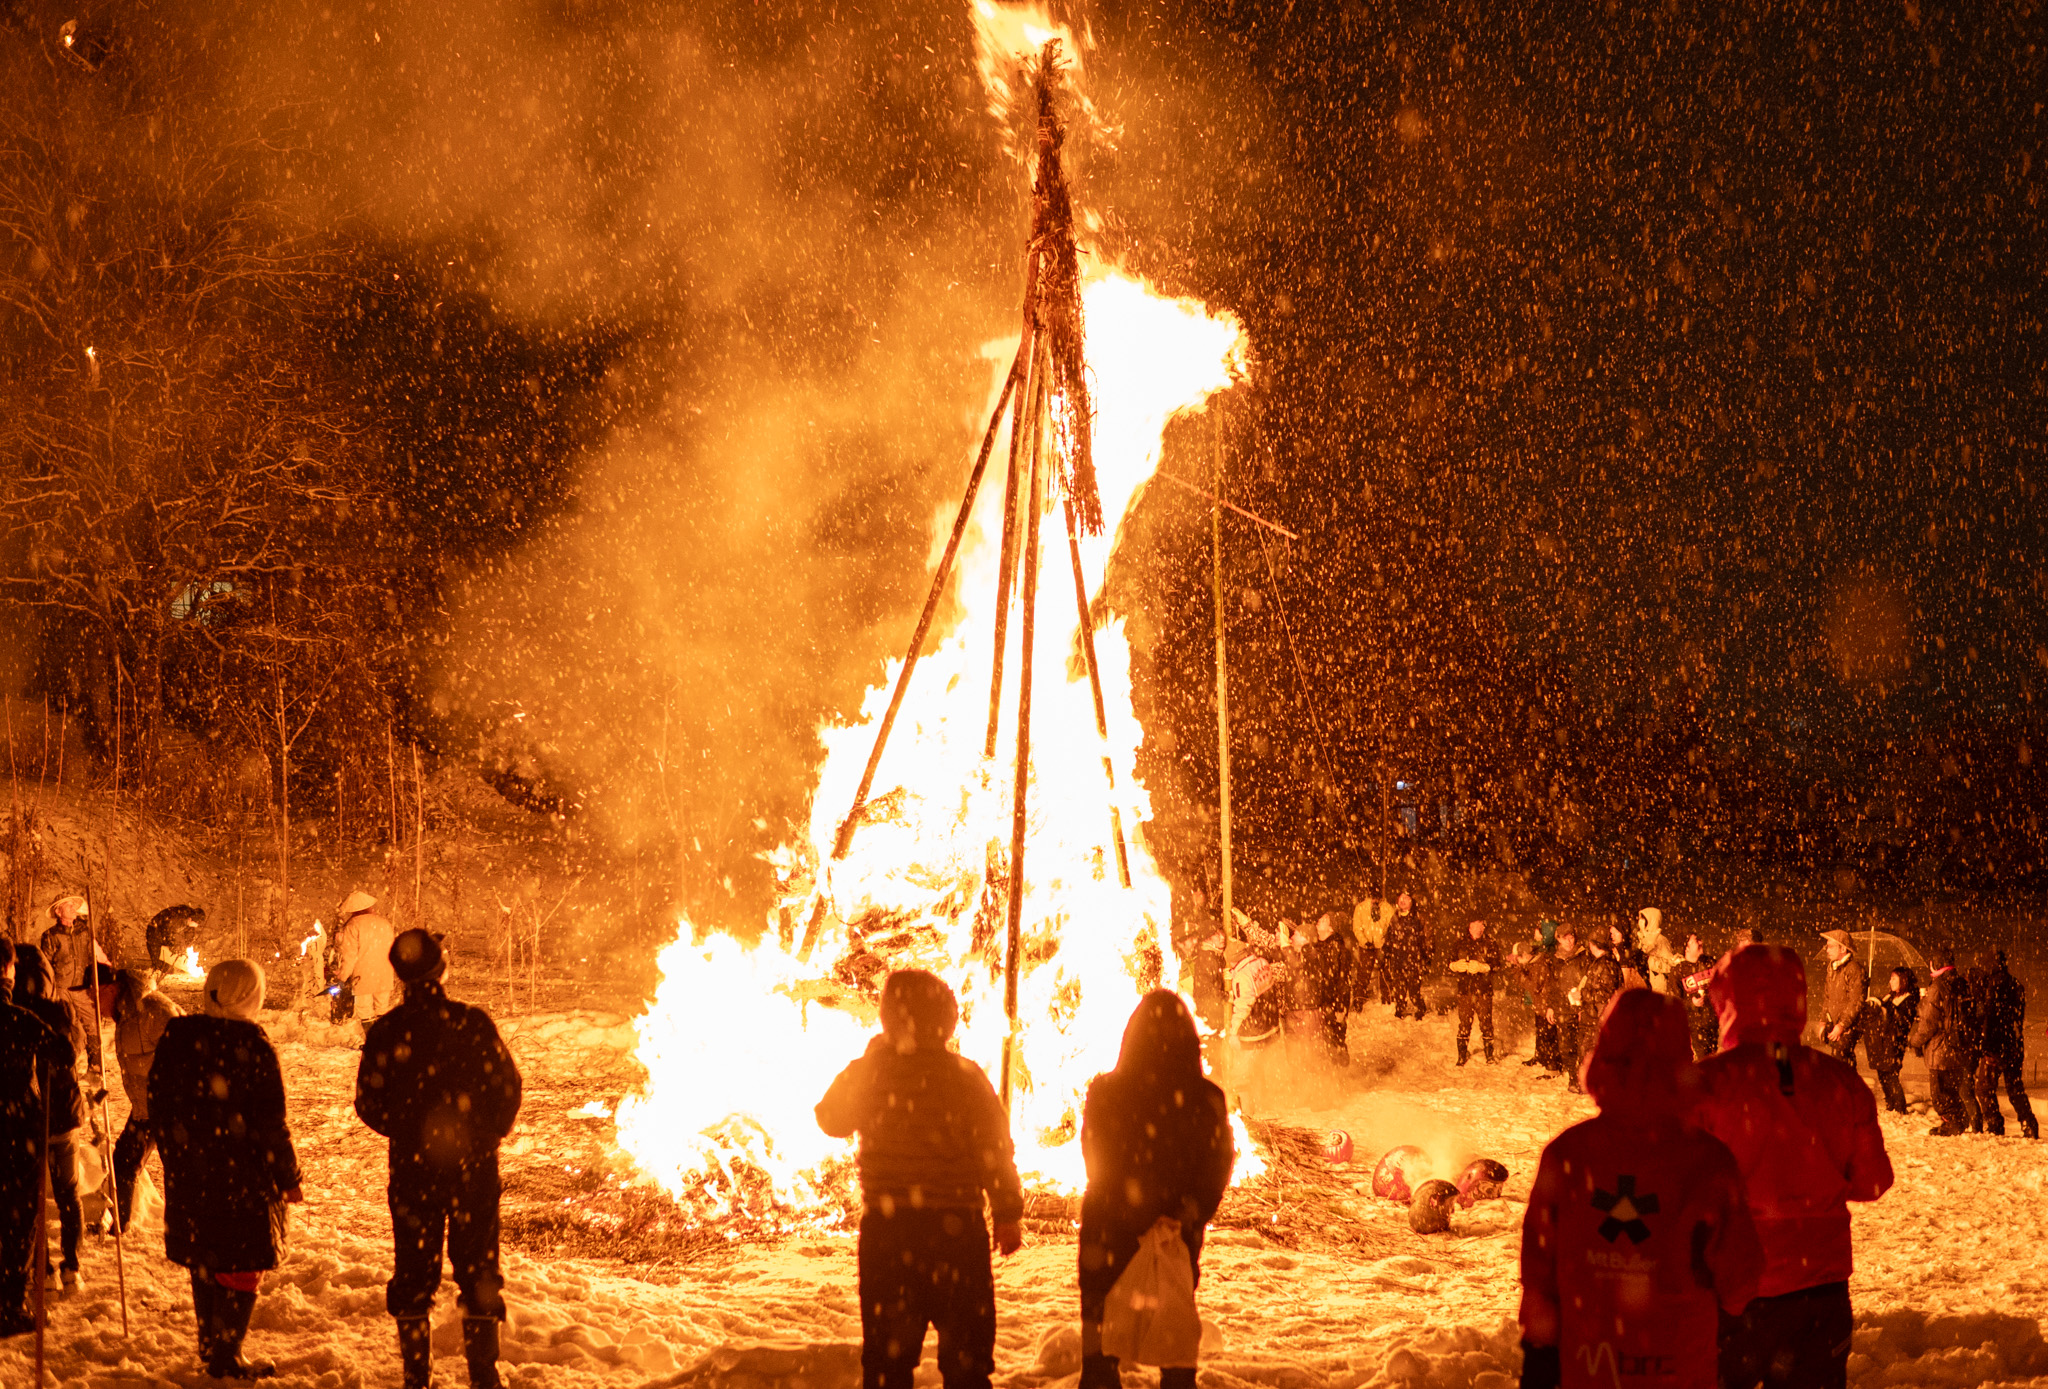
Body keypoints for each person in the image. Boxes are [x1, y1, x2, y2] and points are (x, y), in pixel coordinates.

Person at [1518, 990, 1763, 1389]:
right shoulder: (1708, 1161)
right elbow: (1741, 1278)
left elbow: (1537, 1273)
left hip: (1590, 1367)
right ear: (1681, 1059)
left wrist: (1542, 1355)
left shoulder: (1567, 1154)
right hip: (1679, 1369)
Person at [1696, 944, 1894, 1389]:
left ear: (1725, 999)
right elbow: (1873, 1180)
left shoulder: (1705, 1086)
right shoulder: (1840, 1082)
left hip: (1734, 1291)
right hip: (1820, 1292)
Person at [817, 970, 1024, 1389]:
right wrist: (1007, 1213)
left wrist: (870, 1060)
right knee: (967, 1362)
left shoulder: (872, 1072)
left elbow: (830, 1118)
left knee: (888, 1364)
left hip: (890, 1234)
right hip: (957, 1235)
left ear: (889, 1019)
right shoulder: (966, 1077)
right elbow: (995, 1151)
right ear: (947, 1021)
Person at [357, 929, 524, 1389]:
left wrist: (410, 1134)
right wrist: (484, 1136)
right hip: (473, 1169)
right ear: (442, 968)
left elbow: (368, 1103)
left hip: (412, 1170)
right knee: (478, 1269)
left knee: (413, 1270)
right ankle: (484, 1379)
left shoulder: (388, 1032)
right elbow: (508, 1090)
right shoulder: (472, 1023)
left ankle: (416, 1378)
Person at [151, 958, 304, 1379]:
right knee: (240, 1264)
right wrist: (288, 1178)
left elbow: (158, 1106)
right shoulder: (253, 1046)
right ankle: (227, 1352)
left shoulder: (178, 1037)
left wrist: (178, 1157)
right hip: (243, 1181)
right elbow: (272, 1124)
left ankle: (210, 1343)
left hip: (191, 1175)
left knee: (207, 1257)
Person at [1078, 991, 1234, 1389]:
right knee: (1175, 1340)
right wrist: (1189, 1210)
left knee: (1099, 1347)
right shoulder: (1206, 1098)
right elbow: (1217, 1165)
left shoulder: (1107, 1091)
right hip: (1175, 1231)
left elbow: (1096, 1159)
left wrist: (1129, 1209)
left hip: (1109, 1231)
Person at [0, 939, 74, 1339]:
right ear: (9, 971)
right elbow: (64, 1052)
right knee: (17, 1220)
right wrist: (52, 1017)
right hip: (16, 1132)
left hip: (15, 1128)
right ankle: (9, 1306)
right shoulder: (20, 1019)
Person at [82, 966, 183, 1232]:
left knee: (180, 1173)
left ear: (112, 989)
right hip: (145, 1109)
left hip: (173, 1109)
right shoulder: (125, 1015)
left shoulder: (154, 1011)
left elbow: (185, 1058)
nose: (93, 1003)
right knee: (123, 1165)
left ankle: (190, 1230)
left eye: (95, 995)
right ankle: (117, 1224)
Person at [12, 943, 87, 1293]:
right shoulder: (59, 1009)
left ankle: (53, 1267)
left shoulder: (16, 1015)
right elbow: (76, 1048)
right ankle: (64, 1266)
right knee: (64, 1194)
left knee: (36, 1198)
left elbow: (71, 1051)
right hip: (57, 1114)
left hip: (35, 1119)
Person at [1908, 946, 1980, 1136]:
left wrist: (1914, 1041)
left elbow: (1929, 1023)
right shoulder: (1961, 983)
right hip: (1958, 1048)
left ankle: (1953, 1123)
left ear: (1936, 964)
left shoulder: (1938, 987)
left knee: (1940, 1094)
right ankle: (1960, 1120)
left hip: (1940, 1049)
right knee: (1953, 1090)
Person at [1971, 948, 2036, 1140]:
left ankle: (1995, 1124)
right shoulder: (2015, 984)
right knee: (2015, 1088)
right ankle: (2029, 1123)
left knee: (1984, 1088)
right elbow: (2016, 1016)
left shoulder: (1993, 985)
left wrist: (1986, 1044)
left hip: (1996, 1046)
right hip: (2014, 1043)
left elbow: (1990, 1017)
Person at [39, 894, 105, 1050]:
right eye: (69, 905)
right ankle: (68, 1067)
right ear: (59, 912)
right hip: (62, 989)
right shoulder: (50, 936)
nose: (73, 908)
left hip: (82, 987)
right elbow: (45, 966)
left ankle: (95, 1068)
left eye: (74, 905)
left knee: (94, 1026)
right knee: (69, 1029)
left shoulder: (84, 932)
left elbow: (97, 954)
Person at [334, 890, 398, 1024]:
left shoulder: (353, 926)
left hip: (363, 975)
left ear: (353, 910)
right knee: (383, 1009)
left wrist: (342, 977)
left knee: (365, 1011)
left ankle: (371, 1041)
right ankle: (386, 1041)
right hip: (384, 973)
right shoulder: (384, 923)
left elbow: (349, 955)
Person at [1299, 914, 1354, 1065]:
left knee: (1334, 1039)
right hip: (1319, 1001)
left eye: (1324, 920)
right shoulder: (1318, 946)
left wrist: (1341, 1007)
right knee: (1323, 1040)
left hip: (1333, 1002)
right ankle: (1330, 1072)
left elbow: (1343, 981)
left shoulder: (1339, 949)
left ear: (1331, 928)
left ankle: (1340, 1074)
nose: (1318, 921)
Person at [1541, 924, 1589, 1093]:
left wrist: (1583, 1001)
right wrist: (1551, 1006)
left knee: (1582, 1045)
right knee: (1565, 1046)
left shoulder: (1583, 955)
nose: (1569, 941)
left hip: (1580, 1007)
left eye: (1571, 937)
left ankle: (1584, 1079)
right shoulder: (1554, 959)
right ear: (1558, 939)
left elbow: (1588, 979)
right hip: (1562, 1007)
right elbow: (1552, 984)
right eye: (1565, 938)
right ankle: (1573, 1079)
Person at [1446, 919, 1502, 1066]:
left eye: (1481, 925)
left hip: (1484, 990)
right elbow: (1448, 963)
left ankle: (1489, 1055)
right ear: (1469, 926)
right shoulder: (1460, 943)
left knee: (1486, 1023)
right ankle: (1461, 1056)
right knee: (1464, 1023)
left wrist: (1484, 967)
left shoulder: (1490, 943)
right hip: (1465, 990)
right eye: (1475, 925)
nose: (1479, 928)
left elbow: (1497, 965)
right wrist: (1454, 966)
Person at [1865, 968, 1919, 1116]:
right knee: (1882, 1073)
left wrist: (1886, 1011)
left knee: (1891, 1074)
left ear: (1903, 981)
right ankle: (1891, 1103)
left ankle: (1899, 1107)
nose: (1890, 982)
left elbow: (1901, 1021)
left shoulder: (1909, 999)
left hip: (1894, 1042)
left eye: (1894, 979)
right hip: (1882, 1041)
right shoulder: (1890, 996)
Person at [1817, 930, 1868, 1066]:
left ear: (1843, 948)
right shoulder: (1832, 969)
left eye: (1831, 946)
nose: (1827, 950)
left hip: (1849, 1027)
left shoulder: (1854, 969)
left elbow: (1856, 1002)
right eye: (1827, 946)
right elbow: (1827, 997)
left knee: (1840, 1062)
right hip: (1834, 1024)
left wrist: (1842, 1025)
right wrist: (1823, 1021)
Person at [1381, 892, 1430, 1021]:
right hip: (1398, 960)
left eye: (1406, 898)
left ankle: (1420, 1009)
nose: (1402, 901)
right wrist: (1386, 951)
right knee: (1399, 989)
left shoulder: (1419, 918)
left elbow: (1428, 938)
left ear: (1412, 902)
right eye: (1401, 898)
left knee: (1414, 991)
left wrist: (1426, 956)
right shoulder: (1395, 918)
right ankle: (1400, 1010)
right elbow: (1389, 936)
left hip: (1415, 960)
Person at [1677, 934, 1719, 1061]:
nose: (1701, 942)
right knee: (1703, 1062)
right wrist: (1691, 1002)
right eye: (1695, 941)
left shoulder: (1711, 963)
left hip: (1713, 1022)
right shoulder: (1678, 971)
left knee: (1714, 1060)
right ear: (1687, 948)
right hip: (1695, 1026)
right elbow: (1674, 1001)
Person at [1351, 894, 1395, 1011]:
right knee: (1363, 974)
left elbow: (1391, 927)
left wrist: (1385, 942)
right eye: (1373, 897)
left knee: (1386, 973)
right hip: (1366, 946)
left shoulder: (1387, 908)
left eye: (1378, 897)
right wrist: (1365, 941)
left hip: (1382, 945)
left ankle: (1388, 1000)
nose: (1376, 900)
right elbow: (1357, 927)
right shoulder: (1361, 908)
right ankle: (1358, 1000)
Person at [145, 905, 207, 976]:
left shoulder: (188, 919)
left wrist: (185, 950)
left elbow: (188, 937)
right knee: (161, 965)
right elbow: (169, 933)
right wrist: (175, 946)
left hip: (163, 934)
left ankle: (159, 970)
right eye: (196, 924)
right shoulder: (179, 918)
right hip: (154, 933)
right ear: (190, 919)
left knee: (168, 967)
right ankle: (153, 978)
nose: (196, 926)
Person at [1634, 907, 1679, 995]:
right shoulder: (1647, 937)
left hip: (1659, 977)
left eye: (1643, 918)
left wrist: (1643, 930)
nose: (1640, 921)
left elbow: (1647, 947)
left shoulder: (1658, 938)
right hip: (1651, 976)